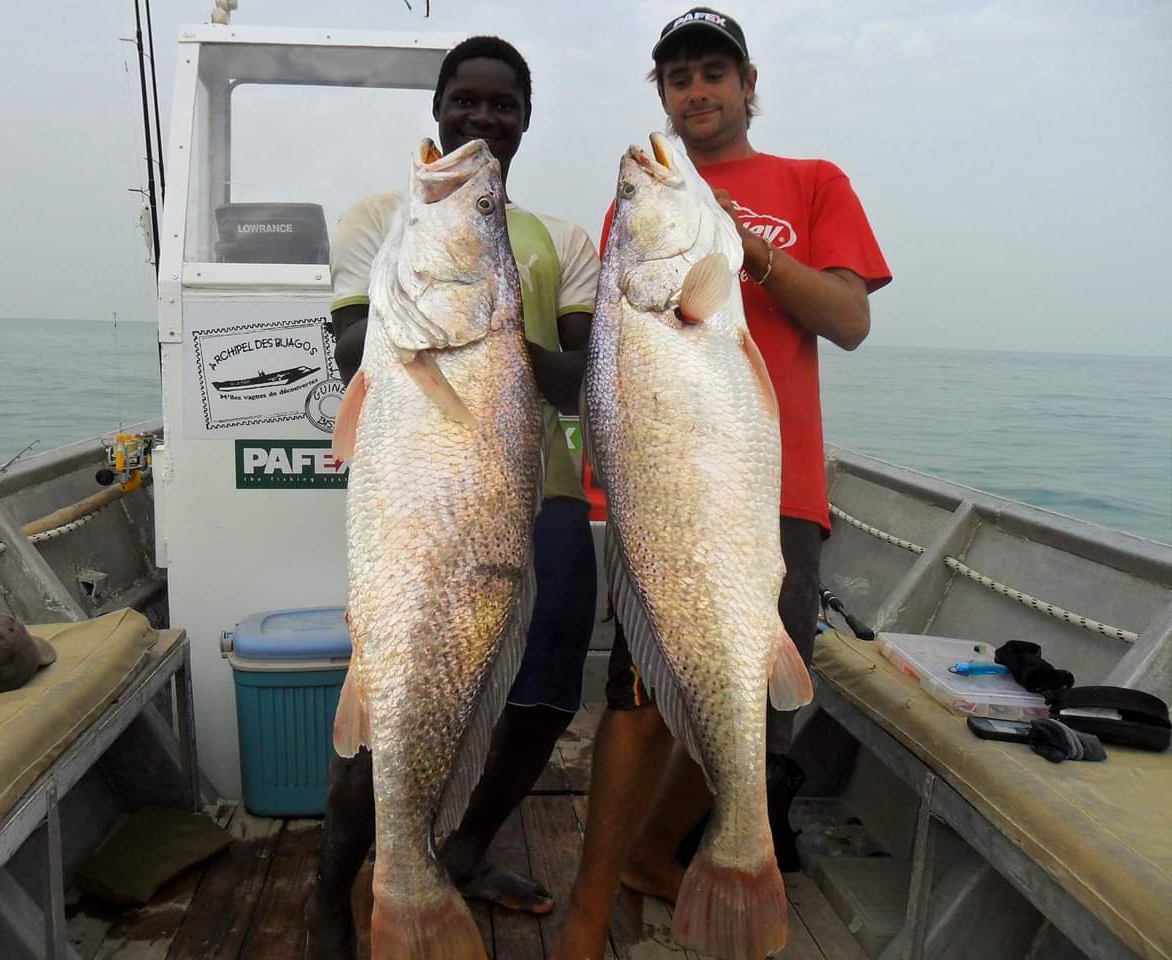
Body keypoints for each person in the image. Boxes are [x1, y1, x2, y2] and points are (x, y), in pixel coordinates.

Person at [552, 8, 891, 958]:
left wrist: (752, 248)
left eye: (713, 72)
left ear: (747, 85)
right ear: (662, 94)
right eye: (678, 78)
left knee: (754, 692)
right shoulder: (644, 207)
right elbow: (619, 348)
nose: (695, 91)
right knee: (638, 696)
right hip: (667, 489)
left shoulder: (813, 182)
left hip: (771, 489)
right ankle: (587, 908)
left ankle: (657, 854)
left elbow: (850, 320)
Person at [304, 35, 602, 960]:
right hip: (423, 502)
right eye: (465, 99)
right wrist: (442, 333)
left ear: (525, 118)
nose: (482, 118)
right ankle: (333, 891)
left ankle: (462, 853)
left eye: (503, 104)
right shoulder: (378, 219)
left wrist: (489, 334)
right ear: (438, 106)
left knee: (543, 695)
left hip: (544, 494)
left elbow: (577, 380)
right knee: (395, 690)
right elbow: (351, 354)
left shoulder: (564, 241)